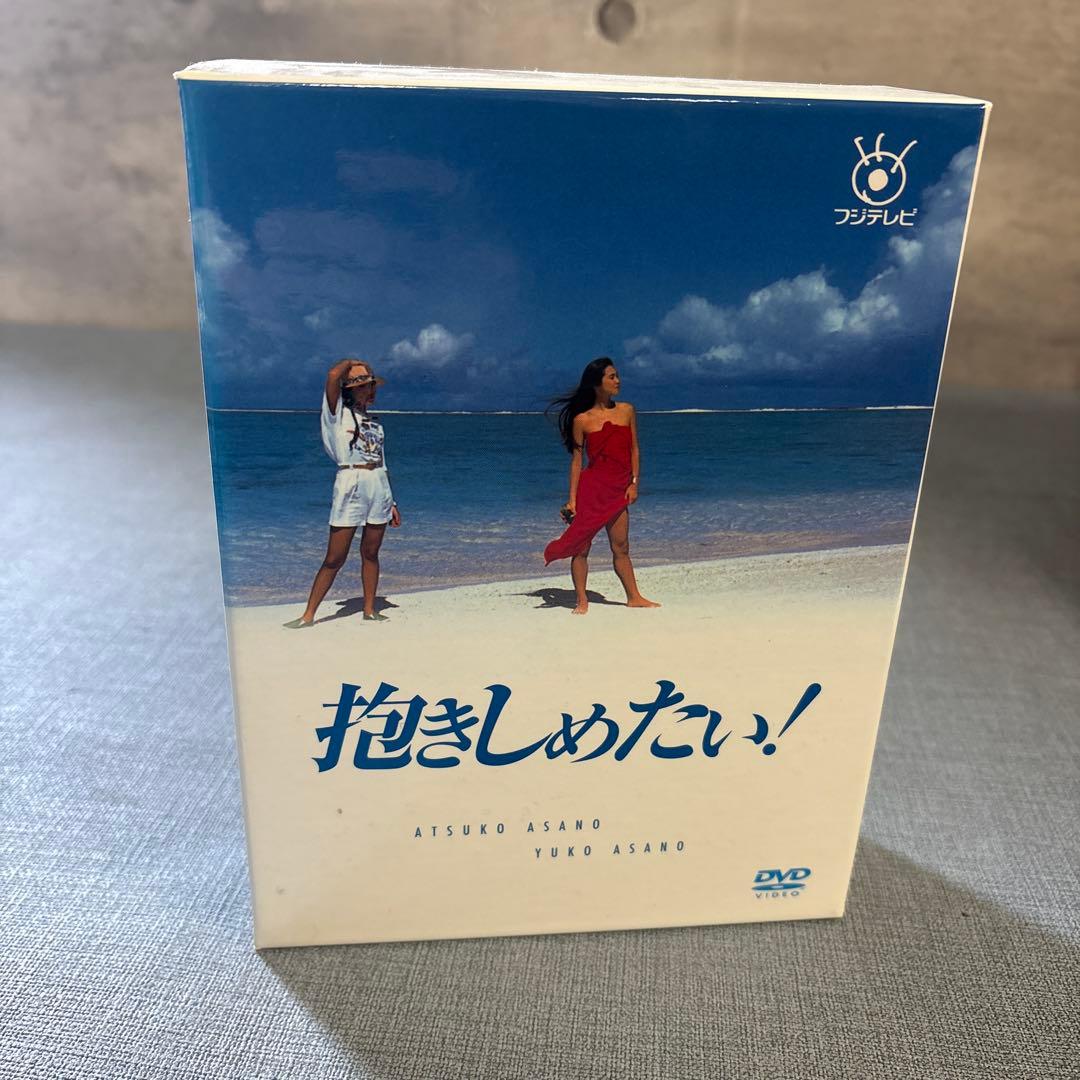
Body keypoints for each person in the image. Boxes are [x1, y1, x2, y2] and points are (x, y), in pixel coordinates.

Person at [284, 358, 401, 627]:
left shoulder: (375, 423)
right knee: (334, 558)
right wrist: (352, 361)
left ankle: (369, 609)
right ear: (350, 390)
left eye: (371, 385)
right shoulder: (336, 415)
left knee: (371, 552)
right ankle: (308, 615)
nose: (369, 390)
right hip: (350, 481)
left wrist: (392, 502)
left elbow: (382, 462)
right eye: (363, 386)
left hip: (378, 485)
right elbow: (332, 375)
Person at [544, 357, 660, 615]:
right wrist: (572, 500)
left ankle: (634, 597)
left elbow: (634, 450)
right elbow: (577, 462)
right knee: (581, 548)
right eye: (612, 377)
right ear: (597, 383)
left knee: (621, 546)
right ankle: (581, 600)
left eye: (617, 376)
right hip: (591, 490)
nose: (618, 381)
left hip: (618, 491)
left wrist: (634, 483)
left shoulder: (627, 410)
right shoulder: (582, 420)